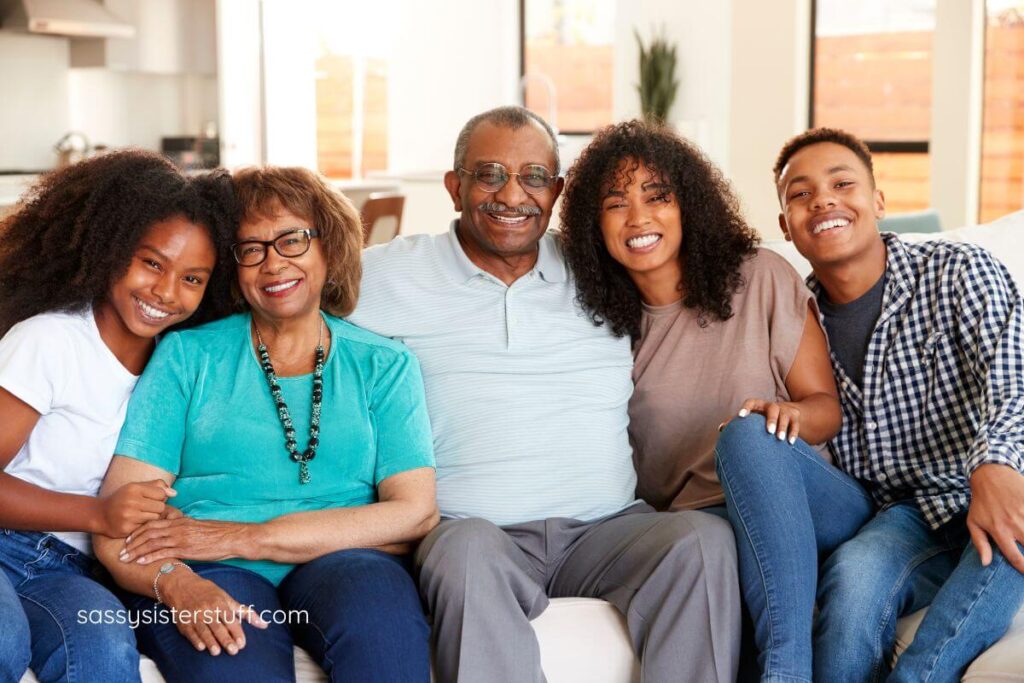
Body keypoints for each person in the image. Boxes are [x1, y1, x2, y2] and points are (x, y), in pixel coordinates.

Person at [348, 105, 741, 683]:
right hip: (473, 530)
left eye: (534, 177)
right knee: (463, 554)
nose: (513, 194)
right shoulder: (382, 276)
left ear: (556, 191)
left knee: (703, 541)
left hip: (607, 528)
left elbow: (700, 269)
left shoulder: (601, 269)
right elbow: (276, 304)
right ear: (455, 188)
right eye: (489, 175)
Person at [92, 166, 438, 683]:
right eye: (250, 248)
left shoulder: (384, 365)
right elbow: (117, 522)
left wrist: (246, 536)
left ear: (330, 248)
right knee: (238, 666)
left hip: (343, 561)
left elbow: (414, 511)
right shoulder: (187, 356)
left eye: (291, 240)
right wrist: (175, 582)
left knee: (383, 640)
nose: (272, 263)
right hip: (205, 563)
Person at [716, 126, 1024, 682]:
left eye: (842, 183)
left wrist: (996, 463)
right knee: (853, 584)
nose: (824, 200)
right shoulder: (794, 318)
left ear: (878, 201)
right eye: (801, 193)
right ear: (786, 226)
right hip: (900, 517)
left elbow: (1014, 382)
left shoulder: (959, 272)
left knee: (1017, 528)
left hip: (989, 480)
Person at [0, 150, 236, 683]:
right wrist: (99, 514)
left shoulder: (177, 368)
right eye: (152, 263)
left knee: (105, 650)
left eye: (193, 279)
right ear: (109, 250)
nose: (166, 293)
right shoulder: (50, 340)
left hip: (71, 568)